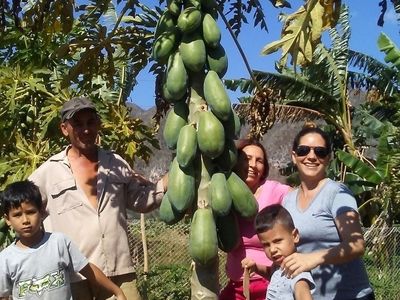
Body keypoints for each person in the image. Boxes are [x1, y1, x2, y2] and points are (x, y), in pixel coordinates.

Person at [28, 97, 167, 300]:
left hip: (118, 272)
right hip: (72, 276)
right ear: (64, 129)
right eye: (77, 124)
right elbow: (23, 211)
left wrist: (170, 179)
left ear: (98, 125)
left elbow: (141, 201)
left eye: (91, 122)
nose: (86, 130)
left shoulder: (115, 163)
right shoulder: (48, 172)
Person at [282, 124, 375, 299]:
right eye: (303, 150)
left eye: (320, 152)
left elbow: (356, 244)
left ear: (328, 158)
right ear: (294, 157)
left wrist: (312, 258)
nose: (311, 156)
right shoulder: (288, 201)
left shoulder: (337, 193)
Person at [0, 180, 127, 300]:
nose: (25, 220)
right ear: (7, 220)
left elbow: (87, 269)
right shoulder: (6, 259)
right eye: (17, 215)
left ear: (42, 212)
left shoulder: (59, 243)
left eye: (31, 212)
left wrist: (117, 291)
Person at [219, 139, 291, 300]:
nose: (253, 165)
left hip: (266, 284)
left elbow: (301, 199)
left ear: (264, 168)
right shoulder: (225, 193)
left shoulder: (274, 190)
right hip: (236, 284)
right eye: (247, 159)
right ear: (235, 162)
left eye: (259, 161)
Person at [242, 204, 315, 300]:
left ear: (295, 236)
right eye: (266, 245)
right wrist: (256, 268)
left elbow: (302, 293)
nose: (272, 250)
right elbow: (272, 274)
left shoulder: (296, 271)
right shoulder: (279, 265)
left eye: (277, 241)